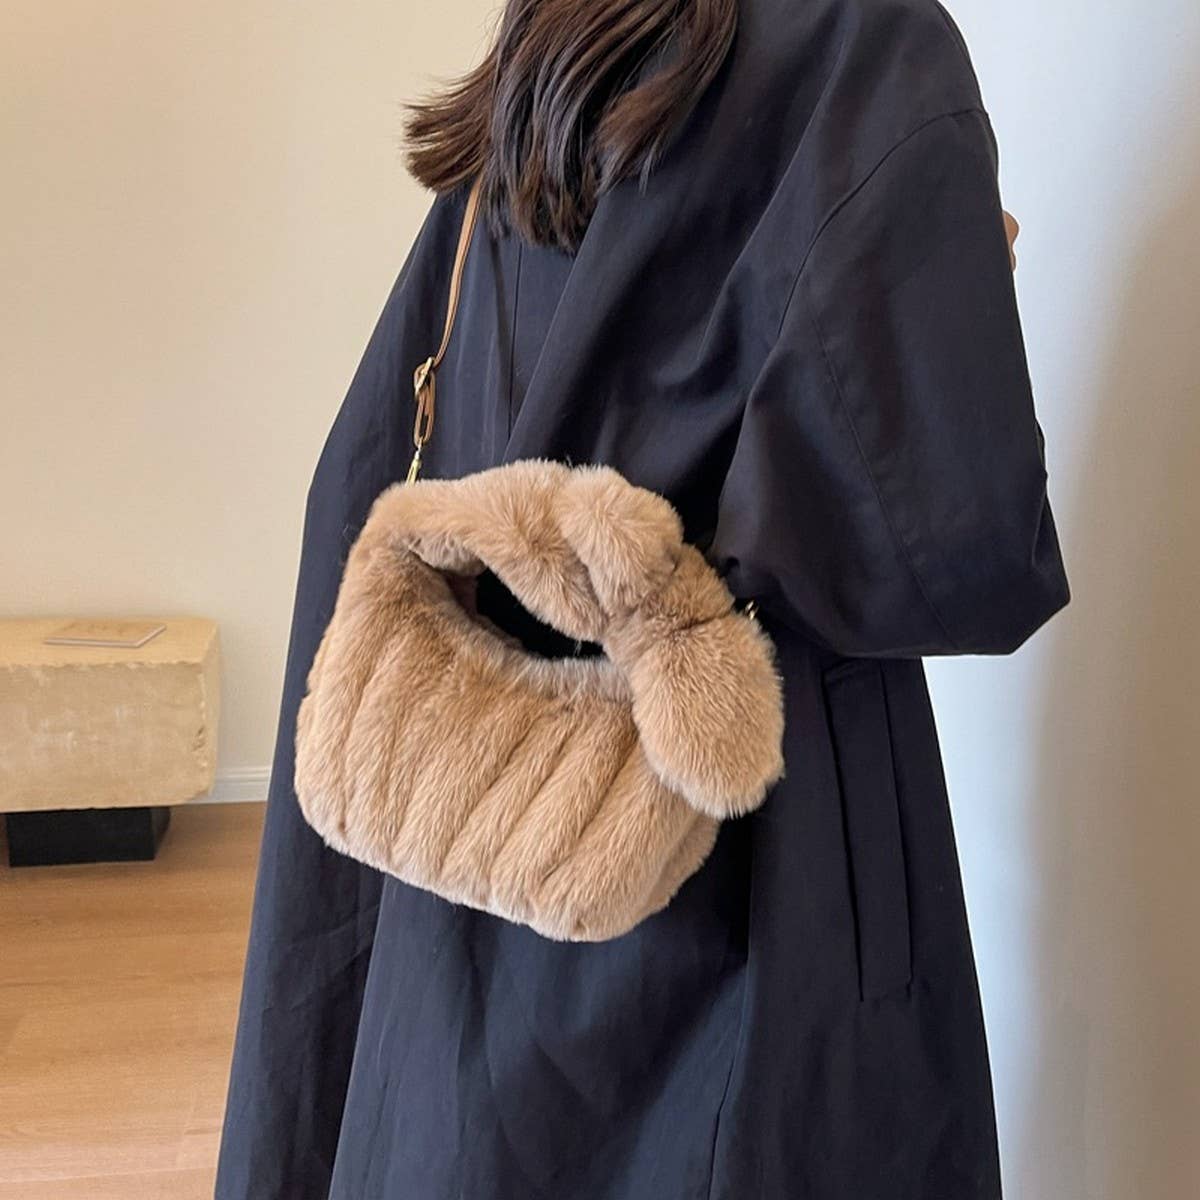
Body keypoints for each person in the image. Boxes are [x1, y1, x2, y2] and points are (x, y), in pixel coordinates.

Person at [215, 0, 1069, 1196]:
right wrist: (958, 290)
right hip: (758, 865)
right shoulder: (867, 42)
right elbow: (951, 540)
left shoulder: (556, 33)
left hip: (490, 819)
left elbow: (390, 446)